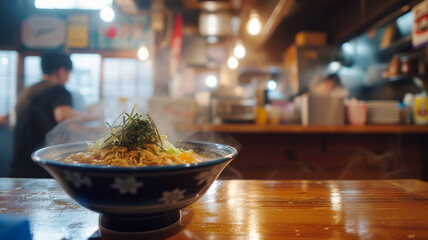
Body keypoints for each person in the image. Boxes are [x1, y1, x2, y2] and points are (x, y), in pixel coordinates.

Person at [10, 51, 80, 178]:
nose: (68, 78)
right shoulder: (58, 89)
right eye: (68, 74)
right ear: (61, 70)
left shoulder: (28, 91)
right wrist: (93, 116)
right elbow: (62, 115)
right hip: (42, 166)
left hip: (18, 166)